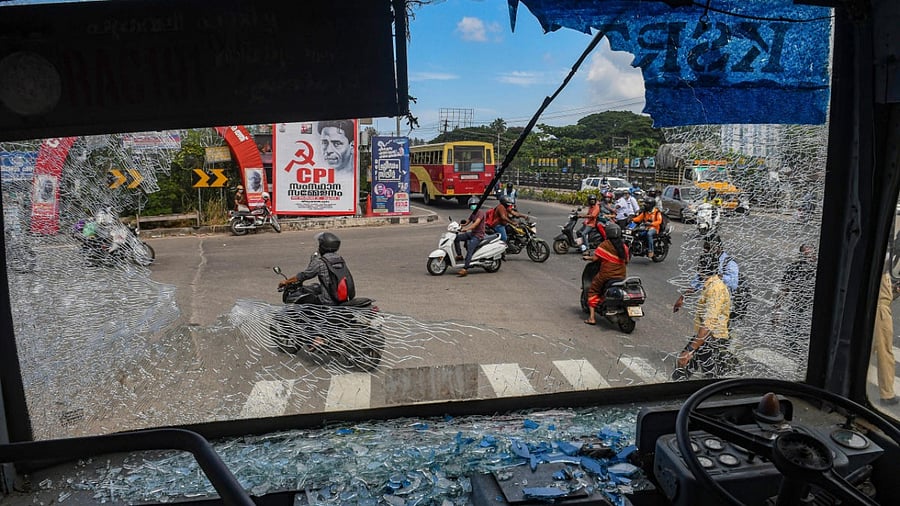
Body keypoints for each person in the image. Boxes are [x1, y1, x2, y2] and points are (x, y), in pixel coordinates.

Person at [672, 253, 732, 380]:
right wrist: (683, 297)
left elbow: (708, 324)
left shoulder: (715, 289)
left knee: (682, 369)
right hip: (709, 338)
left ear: (701, 269)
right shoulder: (711, 284)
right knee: (709, 376)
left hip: (711, 338)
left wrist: (690, 350)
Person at [278, 232, 348, 306]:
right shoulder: (339, 259)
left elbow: (305, 275)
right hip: (340, 297)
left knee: (300, 299)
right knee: (316, 287)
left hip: (328, 300)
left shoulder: (321, 261)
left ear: (323, 246)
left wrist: (286, 282)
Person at [673, 235, 738, 312]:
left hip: (722, 307)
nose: (704, 250)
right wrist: (682, 298)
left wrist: (715, 277)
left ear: (716, 247)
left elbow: (733, 284)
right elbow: (697, 281)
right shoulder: (708, 260)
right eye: (704, 247)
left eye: (707, 248)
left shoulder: (729, 263)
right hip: (708, 304)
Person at [582, 222, 629, 325]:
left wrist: (587, 257)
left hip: (606, 275)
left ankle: (591, 318)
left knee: (592, 291)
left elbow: (595, 258)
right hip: (621, 275)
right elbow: (627, 261)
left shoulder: (605, 244)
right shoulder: (623, 246)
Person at [773, 244, 817, 351]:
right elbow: (784, 291)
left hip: (813, 312)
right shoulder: (794, 268)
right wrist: (776, 313)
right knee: (791, 341)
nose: (809, 259)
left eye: (811, 256)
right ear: (801, 256)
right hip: (798, 311)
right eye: (806, 256)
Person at [874, 269, 898, 405]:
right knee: (885, 353)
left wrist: (893, 290)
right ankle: (887, 394)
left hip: (882, 309)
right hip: (880, 312)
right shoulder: (881, 263)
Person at [454, 196, 487, 277]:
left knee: (470, 249)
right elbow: (466, 223)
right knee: (456, 238)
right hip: (472, 234)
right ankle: (459, 255)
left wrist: (466, 229)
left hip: (478, 236)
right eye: (471, 205)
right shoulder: (473, 214)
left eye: (474, 204)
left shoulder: (480, 213)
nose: (473, 206)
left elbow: (475, 224)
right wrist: (457, 226)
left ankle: (465, 269)